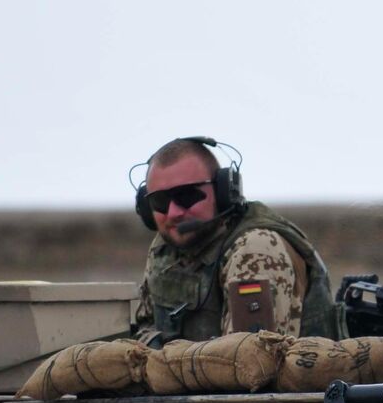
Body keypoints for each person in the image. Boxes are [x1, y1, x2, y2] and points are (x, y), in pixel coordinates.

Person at [132, 137, 334, 344]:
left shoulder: (256, 249)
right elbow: (146, 326)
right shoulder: (168, 245)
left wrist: (161, 363)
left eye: (187, 196)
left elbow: (247, 361)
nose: (174, 213)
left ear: (223, 192)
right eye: (160, 201)